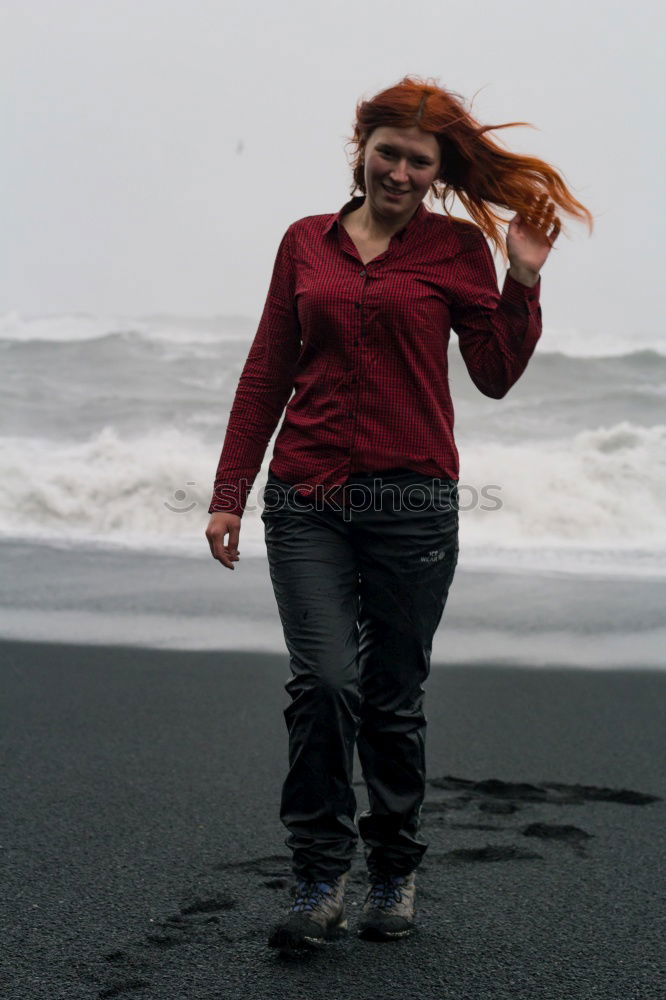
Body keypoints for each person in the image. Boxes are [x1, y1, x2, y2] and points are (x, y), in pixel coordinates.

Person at [205, 76, 592, 953]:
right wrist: (229, 493)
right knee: (326, 683)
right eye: (389, 153)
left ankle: (392, 868)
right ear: (362, 151)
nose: (402, 171)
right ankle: (316, 875)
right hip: (306, 497)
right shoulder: (306, 243)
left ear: (439, 171)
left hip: (412, 505)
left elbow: (492, 373)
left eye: (421, 161)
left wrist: (522, 281)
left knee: (390, 697)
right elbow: (267, 369)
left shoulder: (457, 251)